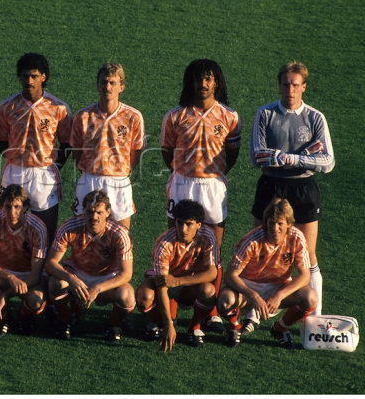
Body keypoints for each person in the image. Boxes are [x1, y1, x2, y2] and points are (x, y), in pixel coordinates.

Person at [247, 61, 334, 332]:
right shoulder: (265, 114)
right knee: (260, 249)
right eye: (286, 84)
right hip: (271, 185)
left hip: (303, 187)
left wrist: (291, 159)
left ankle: (315, 319)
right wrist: (288, 158)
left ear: (304, 87)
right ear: (280, 85)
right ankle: (253, 312)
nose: (290, 90)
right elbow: (257, 156)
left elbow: (328, 161)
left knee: (308, 254)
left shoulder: (315, 118)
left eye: (295, 85)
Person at [159, 58, 241, 332]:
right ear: (190, 82)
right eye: (198, 78)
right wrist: (184, 171)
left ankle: (210, 313)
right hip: (182, 183)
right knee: (176, 245)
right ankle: (170, 311)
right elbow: (167, 153)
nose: (203, 83)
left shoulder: (229, 117)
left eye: (208, 78)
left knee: (213, 249)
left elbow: (232, 153)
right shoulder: (175, 116)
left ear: (216, 82)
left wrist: (216, 173)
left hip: (213, 186)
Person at [218, 198, 317, 349]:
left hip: (278, 288)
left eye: (280, 223)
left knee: (310, 298)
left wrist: (279, 296)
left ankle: (280, 328)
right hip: (248, 288)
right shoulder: (252, 241)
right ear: (265, 223)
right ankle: (235, 326)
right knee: (225, 301)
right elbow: (230, 275)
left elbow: (305, 276)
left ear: (289, 224)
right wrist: (254, 296)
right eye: (271, 223)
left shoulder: (296, 238)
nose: (275, 228)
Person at [0, 53, 72, 242]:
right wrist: (16, 159)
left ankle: (43, 263)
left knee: (45, 235)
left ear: (43, 77)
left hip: (44, 174)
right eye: (25, 76)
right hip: (14, 173)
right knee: (7, 235)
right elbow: (1, 140)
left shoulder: (59, 108)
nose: (29, 81)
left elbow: (67, 143)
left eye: (34, 76)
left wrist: (54, 167)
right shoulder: (7, 107)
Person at [45, 190, 135, 342]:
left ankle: (114, 324)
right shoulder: (69, 226)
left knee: (127, 296)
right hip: (77, 273)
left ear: (108, 212)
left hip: (106, 277)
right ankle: (66, 319)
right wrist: (71, 279)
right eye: (90, 212)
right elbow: (50, 263)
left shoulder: (119, 234)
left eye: (99, 212)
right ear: (83, 211)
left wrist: (98, 288)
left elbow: (126, 274)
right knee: (56, 284)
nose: (94, 217)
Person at [70, 62, 146, 229]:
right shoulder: (83, 116)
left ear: (121, 87)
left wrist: (122, 171)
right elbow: (76, 150)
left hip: (119, 182)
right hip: (89, 179)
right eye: (104, 82)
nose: (107, 87)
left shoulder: (133, 117)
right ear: (98, 84)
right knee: (82, 235)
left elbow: (137, 151)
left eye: (112, 83)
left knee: (121, 234)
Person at [136, 200, 218, 351]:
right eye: (179, 223)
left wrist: (179, 281)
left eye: (189, 224)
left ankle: (194, 327)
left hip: (187, 285)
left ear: (199, 225)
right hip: (166, 284)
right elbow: (162, 286)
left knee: (209, 291)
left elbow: (212, 273)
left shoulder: (208, 236)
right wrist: (168, 324)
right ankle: (160, 322)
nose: (183, 229)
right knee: (144, 298)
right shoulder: (164, 243)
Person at [0, 184, 49, 336]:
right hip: (4, 274)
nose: (12, 212)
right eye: (8, 206)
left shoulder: (38, 227)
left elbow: (36, 275)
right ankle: (3, 317)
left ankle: (24, 316)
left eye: (17, 207)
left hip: (29, 276)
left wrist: (5, 295)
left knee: (36, 299)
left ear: (25, 207)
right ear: (2, 206)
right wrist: (10, 277)